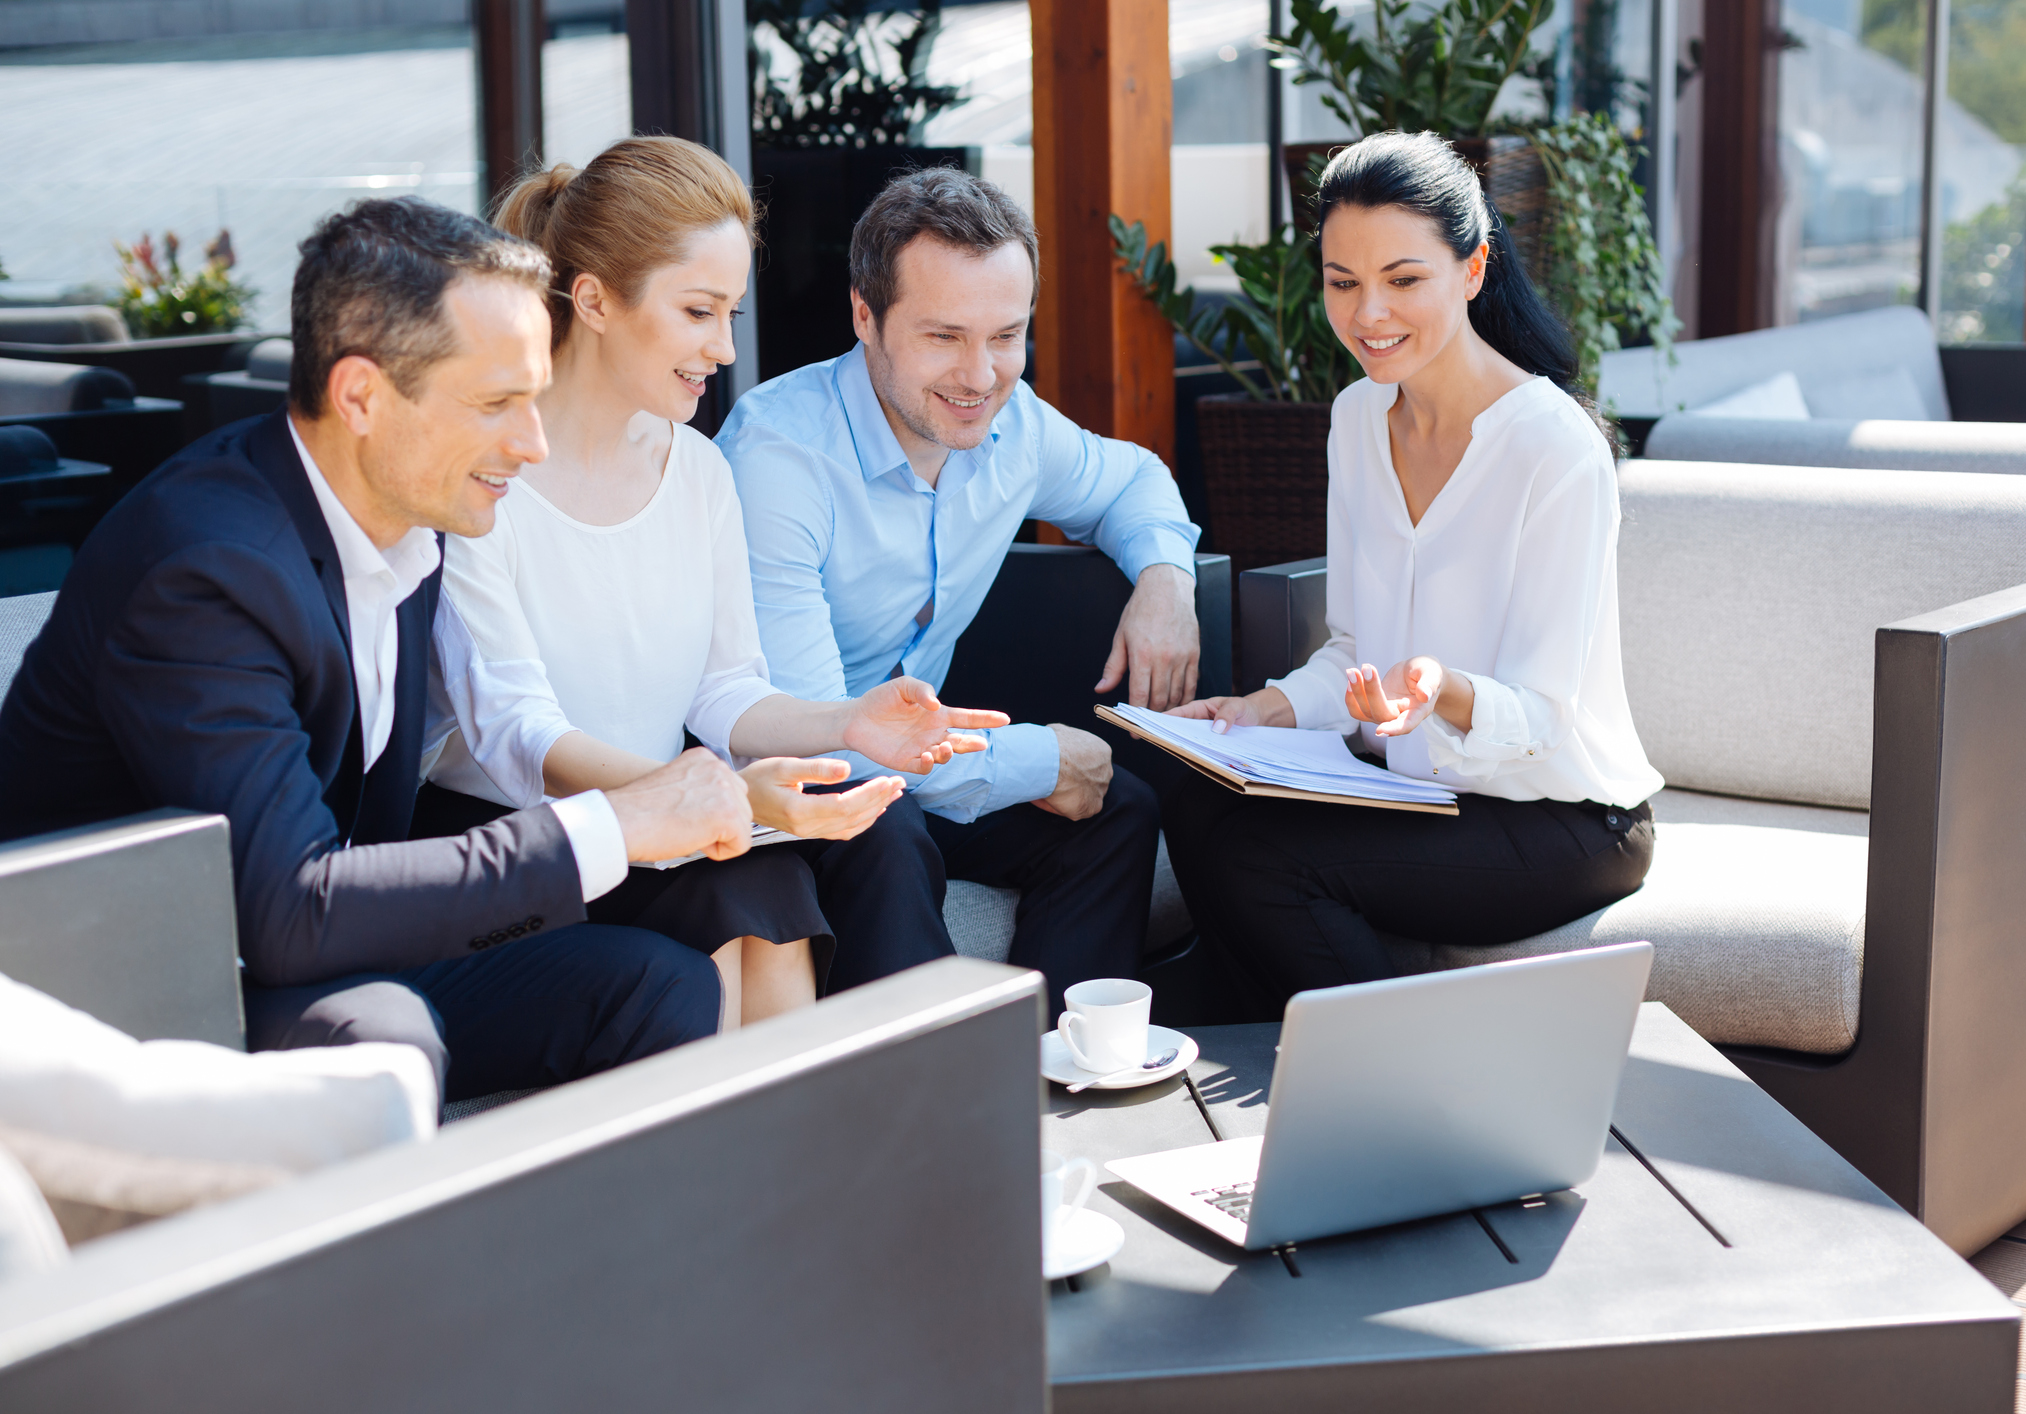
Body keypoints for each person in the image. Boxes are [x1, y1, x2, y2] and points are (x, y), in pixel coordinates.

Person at [0, 197, 761, 1102]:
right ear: (361, 396)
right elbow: (287, 910)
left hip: (309, 947)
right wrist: (615, 821)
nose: (532, 442)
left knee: (658, 983)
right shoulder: (207, 570)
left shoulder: (415, 519)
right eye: (496, 403)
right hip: (129, 995)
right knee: (381, 1040)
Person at [418, 136, 1005, 1026]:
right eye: (698, 312)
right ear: (595, 301)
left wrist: (850, 720)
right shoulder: (480, 478)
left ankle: (827, 1151)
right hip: (515, 843)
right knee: (742, 888)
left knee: (765, 879)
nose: (725, 348)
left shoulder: (696, 470)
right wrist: (704, 798)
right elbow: (517, 735)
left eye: (730, 312)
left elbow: (726, 687)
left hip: (665, 822)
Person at [1159, 131, 1663, 1008]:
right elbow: (1350, 648)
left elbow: (1542, 718)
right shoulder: (1356, 418)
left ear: (1471, 270)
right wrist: (1261, 710)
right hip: (1421, 795)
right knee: (1195, 792)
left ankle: (1392, 1083)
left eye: (1402, 280)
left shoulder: (1552, 447)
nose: (1368, 315)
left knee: (1264, 860)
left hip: (1567, 822)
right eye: (1342, 283)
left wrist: (1438, 686)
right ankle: (1267, 1064)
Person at [718, 167, 1202, 1017]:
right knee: (883, 829)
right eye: (944, 336)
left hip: (913, 761)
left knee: (1115, 810)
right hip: (780, 784)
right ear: (865, 317)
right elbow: (823, 735)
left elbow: (1135, 483)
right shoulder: (778, 459)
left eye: (1005, 336)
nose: (980, 375)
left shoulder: (1012, 427)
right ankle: (936, 1114)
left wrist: (1163, 580)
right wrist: (1037, 758)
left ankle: (1053, 1083)